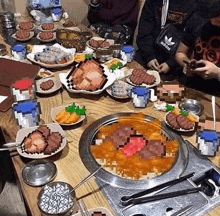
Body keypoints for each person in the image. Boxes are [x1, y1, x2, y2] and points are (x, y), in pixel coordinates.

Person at [135, 0, 195, 76]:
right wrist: (149, 57)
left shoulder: (193, 4)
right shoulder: (153, 2)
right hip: (149, 54)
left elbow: (189, 42)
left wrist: (170, 63)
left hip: (175, 60)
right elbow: (143, 32)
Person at [175, 0, 220, 95]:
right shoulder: (198, 19)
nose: (213, 21)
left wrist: (217, 73)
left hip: (216, 93)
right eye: (210, 17)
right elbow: (180, 53)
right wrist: (186, 65)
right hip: (191, 86)